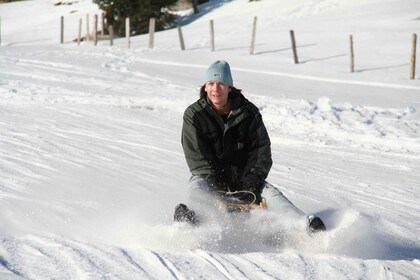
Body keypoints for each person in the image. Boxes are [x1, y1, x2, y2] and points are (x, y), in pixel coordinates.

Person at [174, 60, 326, 234]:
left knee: (272, 195)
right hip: (210, 178)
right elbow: (196, 157)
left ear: (230, 87)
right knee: (197, 187)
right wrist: (214, 181)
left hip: (245, 178)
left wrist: (253, 180)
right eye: (211, 83)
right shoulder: (194, 115)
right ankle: (193, 221)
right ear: (205, 88)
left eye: (221, 84)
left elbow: (261, 149)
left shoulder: (249, 113)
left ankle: (303, 226)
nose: (216, 89)